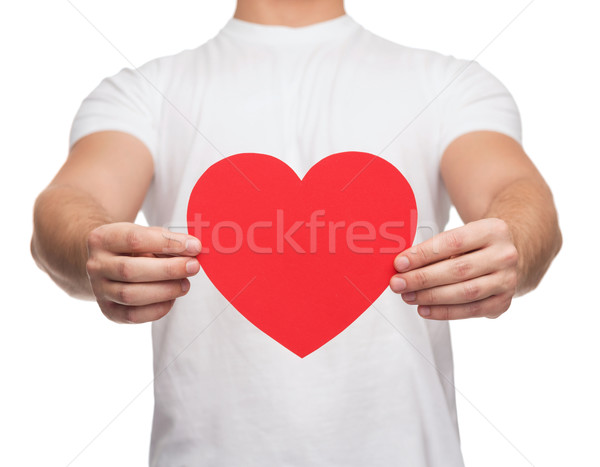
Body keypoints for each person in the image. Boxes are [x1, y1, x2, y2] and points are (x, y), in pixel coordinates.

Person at [31, 0, 562, 465]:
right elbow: (72, 202)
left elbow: (515, 190)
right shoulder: (143, 91)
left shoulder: (449, 83)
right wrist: (89, 243)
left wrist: (511, 237)